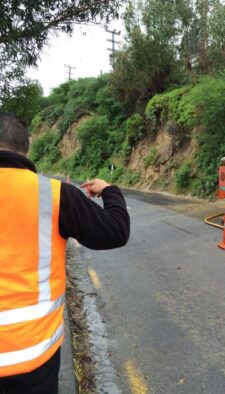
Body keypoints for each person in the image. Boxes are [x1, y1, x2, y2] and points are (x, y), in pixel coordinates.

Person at [0, 112, 130, 393]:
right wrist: (109, 190)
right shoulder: (53, 194)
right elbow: (116, 231)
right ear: (26, 147)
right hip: (33, 358)